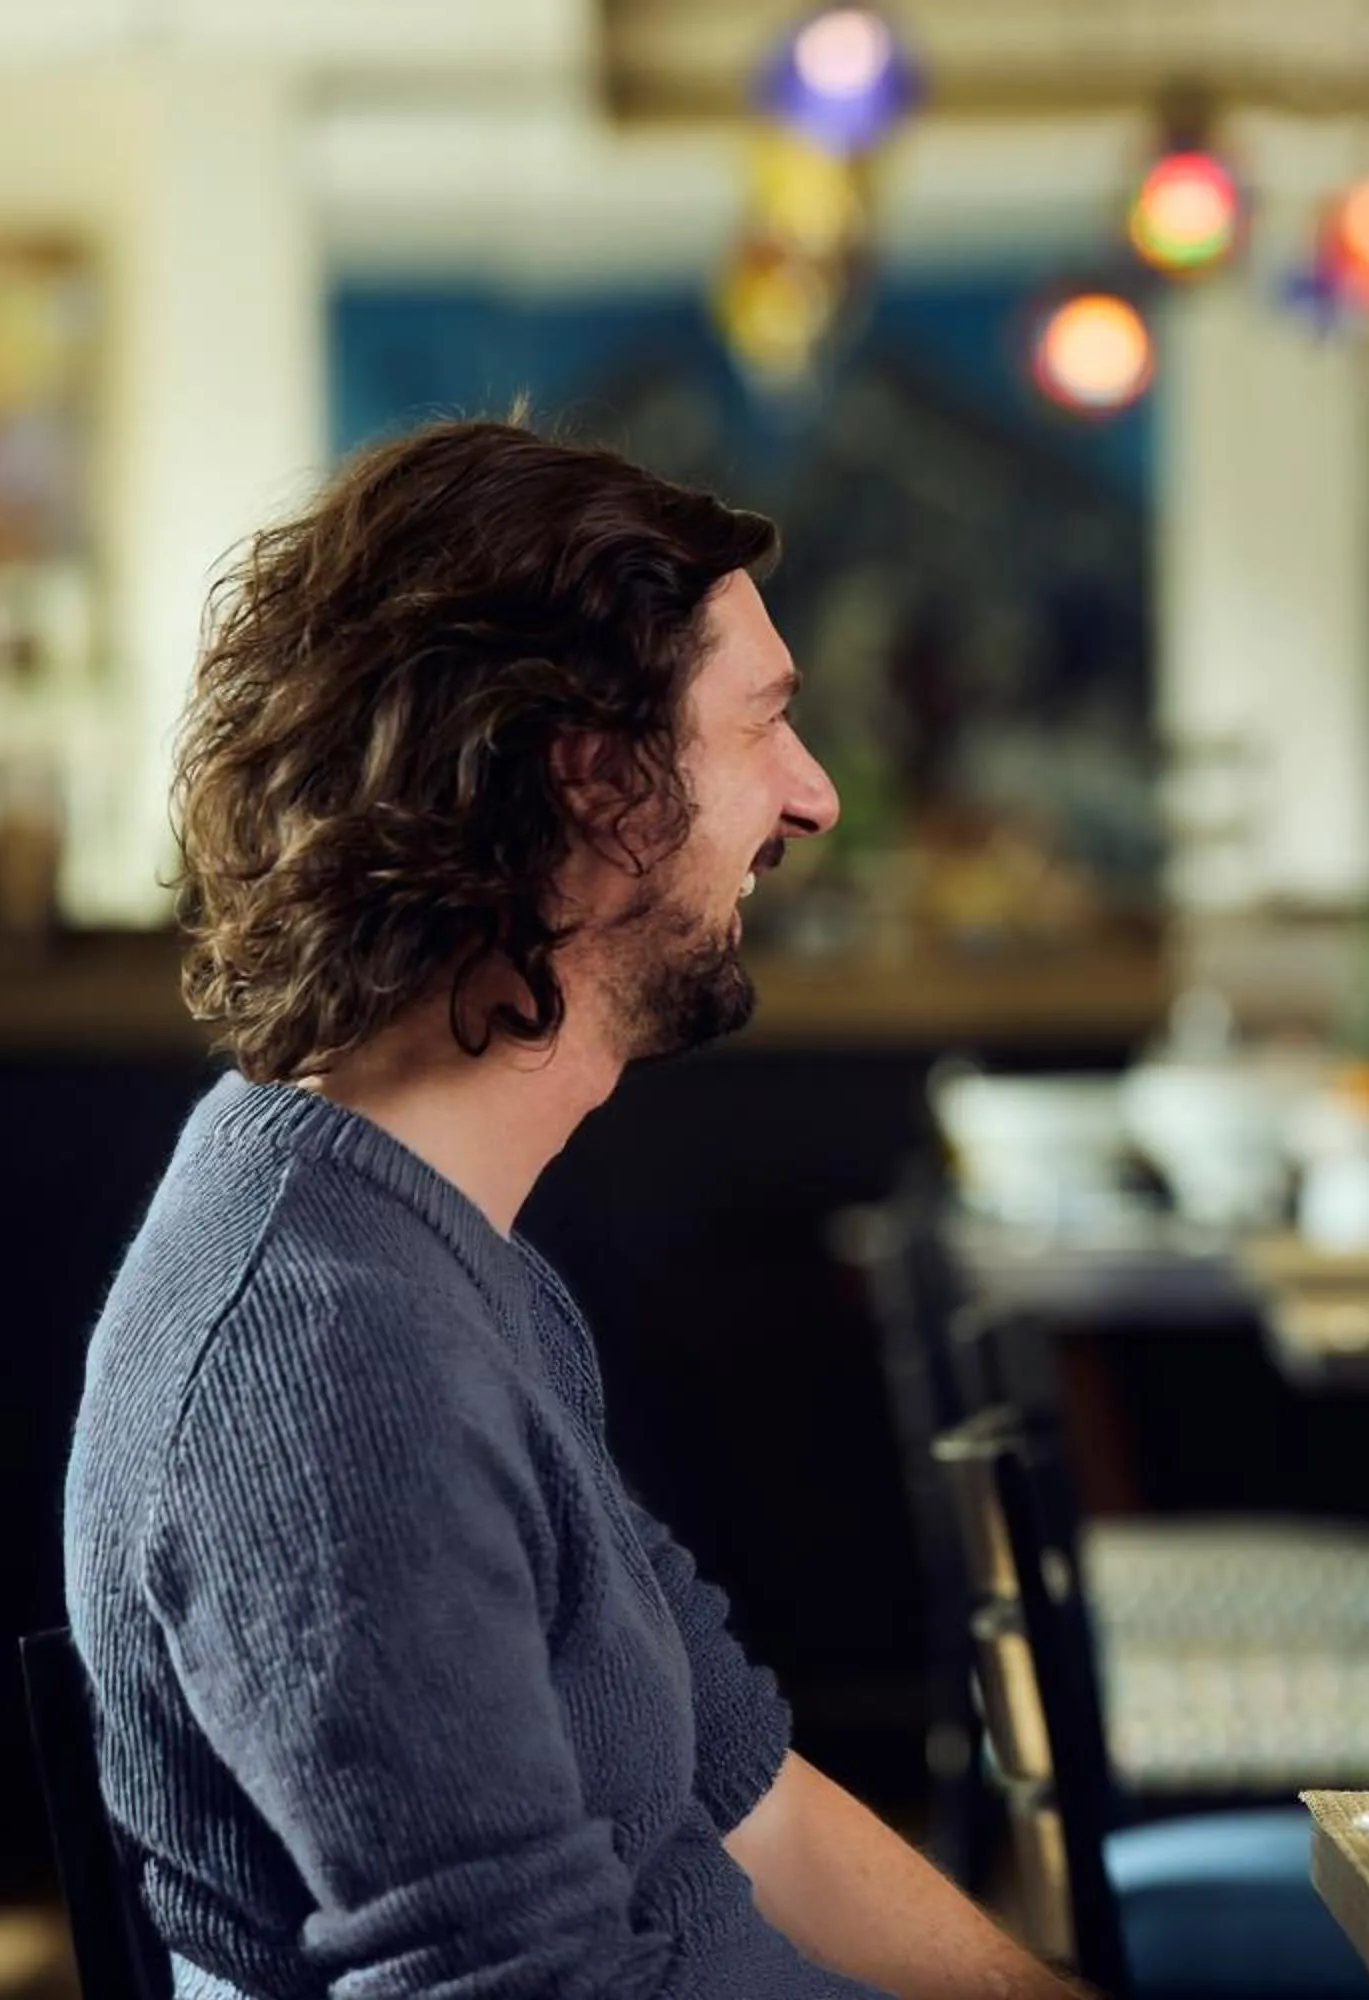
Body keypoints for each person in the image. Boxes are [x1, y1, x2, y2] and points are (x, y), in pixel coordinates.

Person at [63, 420, 1076, 1998]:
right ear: (592, 784)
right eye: (762, 730)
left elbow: (747, 1804)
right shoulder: (326, 1366)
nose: (809, 801)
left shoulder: (437, 1244)